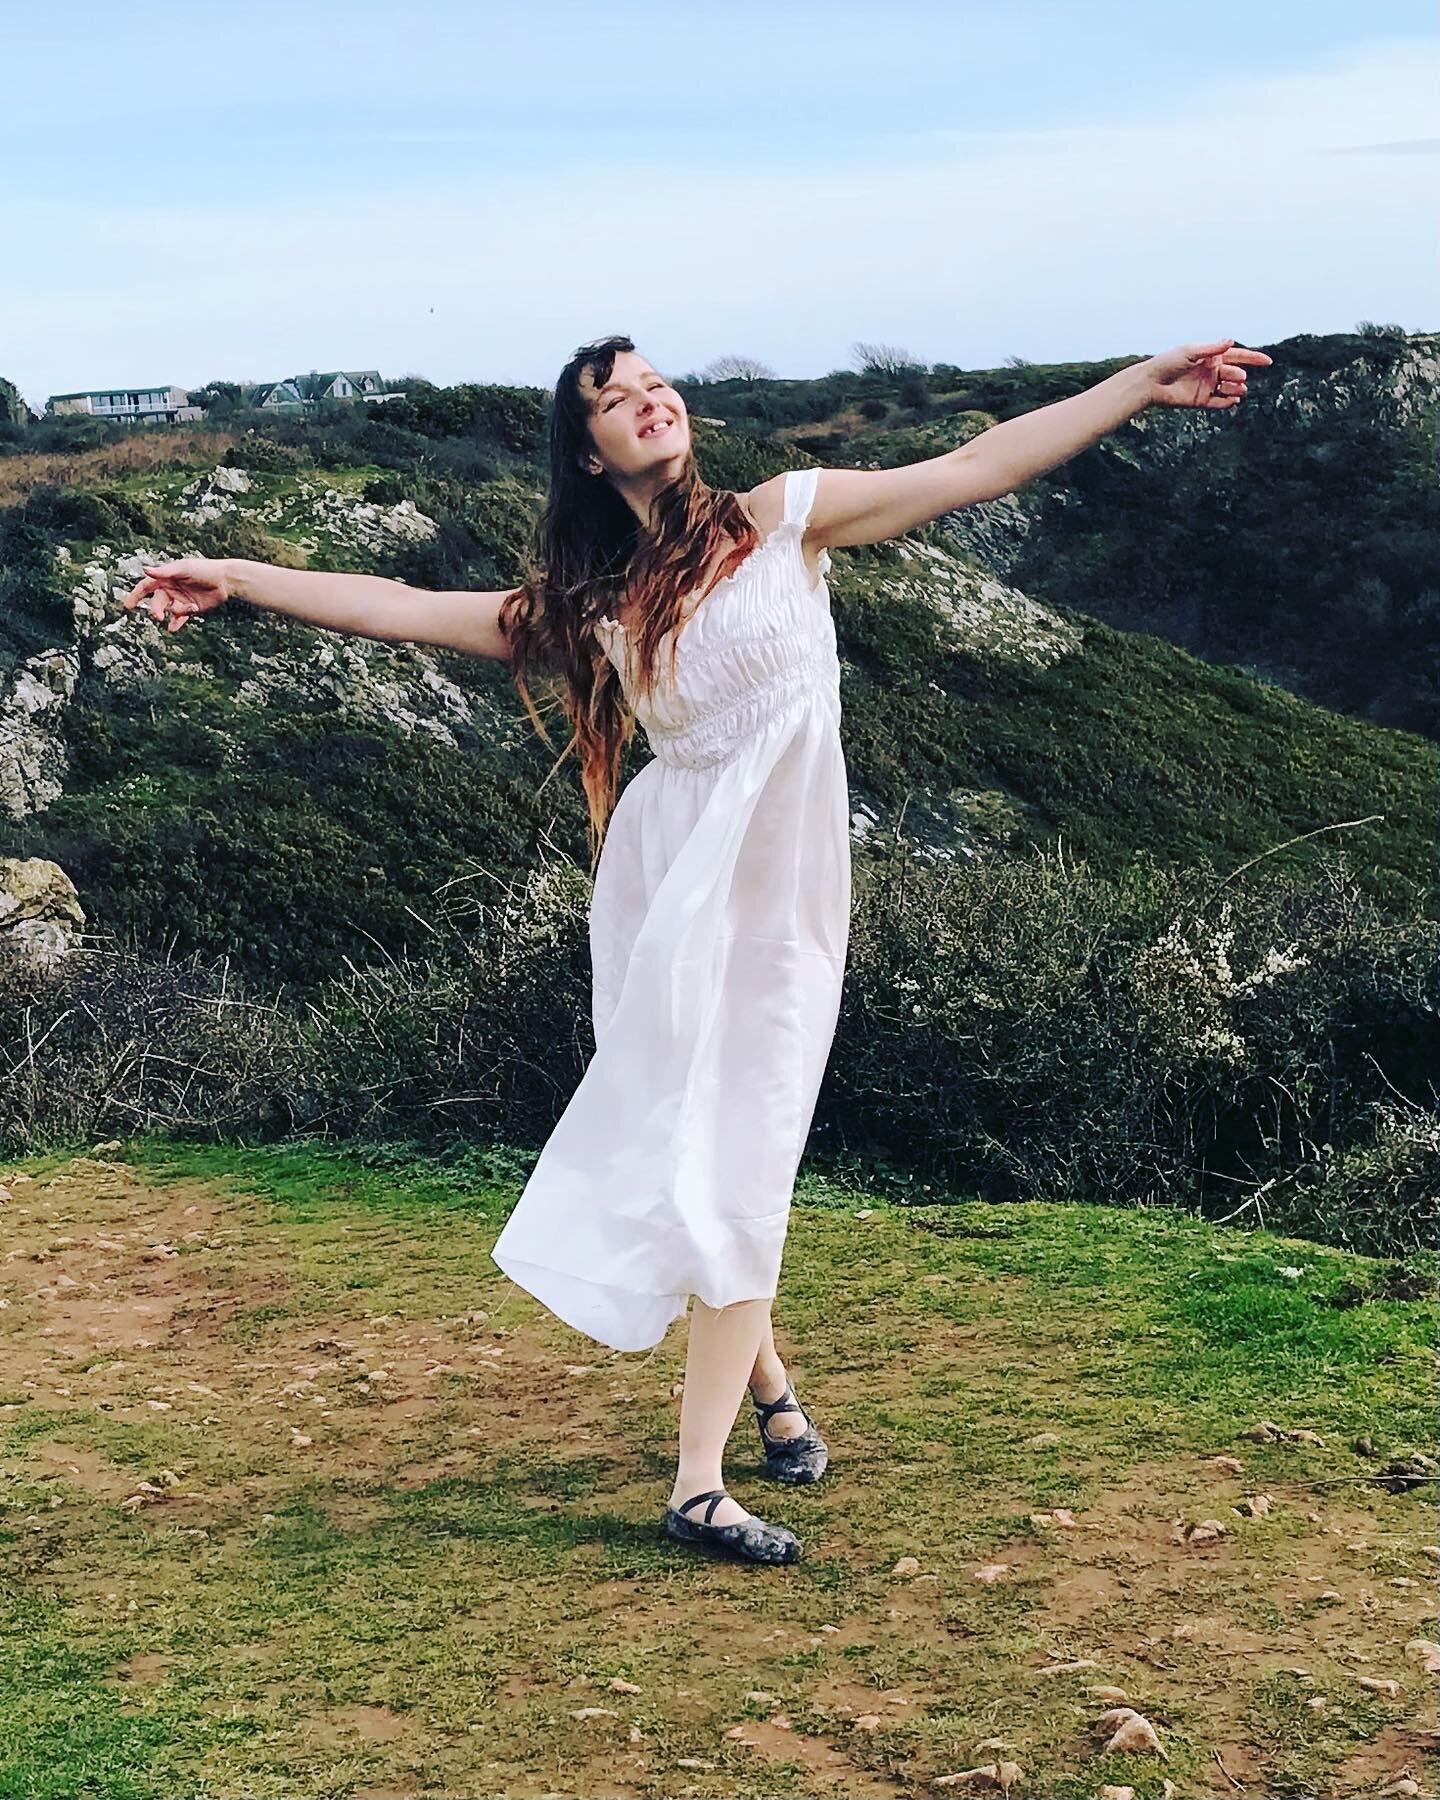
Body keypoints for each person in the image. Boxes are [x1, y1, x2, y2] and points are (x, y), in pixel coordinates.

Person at [124, 331, 1271, 1565]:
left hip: (781, 892)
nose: (648, 400)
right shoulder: (599, 607)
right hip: (675, 891)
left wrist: (1139, 387)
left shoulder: (783, 521)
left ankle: (768, 1394)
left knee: (736, 1142)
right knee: (726, 1147)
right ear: (590, 450)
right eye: (615, 401)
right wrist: (237, 574)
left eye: (654, 381)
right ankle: (697, 1483)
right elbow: (398, 609)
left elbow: (979, 462)